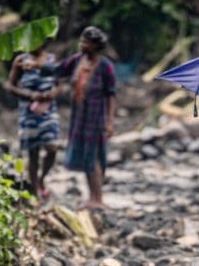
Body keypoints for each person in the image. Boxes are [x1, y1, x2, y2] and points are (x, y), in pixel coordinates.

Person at [57, 26, 117, 210]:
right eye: (81, 41)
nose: (81, 45)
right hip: (79, 118)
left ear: (95, 46)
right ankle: (91, 197)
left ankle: (97, 199)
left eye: (85, 42)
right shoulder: (77, 61)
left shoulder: (105, 66)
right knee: (85, 157)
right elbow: (57, 71)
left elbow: (111, 95)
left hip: (96, 118)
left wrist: (109, 122)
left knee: (94, 158)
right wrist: (36, 66)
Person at [7, 43, 63, 201]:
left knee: (52, 147)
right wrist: (30, 95)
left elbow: (60, 85)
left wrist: (51, 94)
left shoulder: (52, 59)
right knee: (33, 152)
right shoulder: (21, 61)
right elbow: (10, 86)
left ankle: (42, 178)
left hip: (48, 110)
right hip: (28, 111)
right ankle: (36, 188)